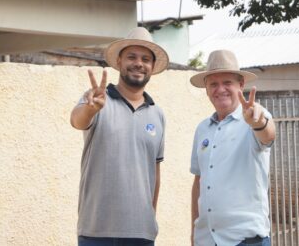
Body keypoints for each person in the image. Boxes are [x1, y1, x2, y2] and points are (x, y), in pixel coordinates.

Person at [70, 27, 169, 246]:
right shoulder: (97, 100)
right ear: (119, 61)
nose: (138, 63)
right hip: (96, 230)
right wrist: (90, 109)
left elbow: (155, 172)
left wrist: (150, 217)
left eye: (145, 59)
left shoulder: (158, 114)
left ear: (152, 66)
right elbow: (77, 120)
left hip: (141, 233)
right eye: (131, 57)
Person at [190, 50, 276, 246]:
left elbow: (268, 134)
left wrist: (259, 123)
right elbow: (198, 182)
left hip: (246, 241)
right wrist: (194, 233)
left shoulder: (254, 117)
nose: (220, 89)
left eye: (227, 82)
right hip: (206, 240)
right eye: (213, 84)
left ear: (241, 85)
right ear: (206, 88)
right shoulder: (202, 129)